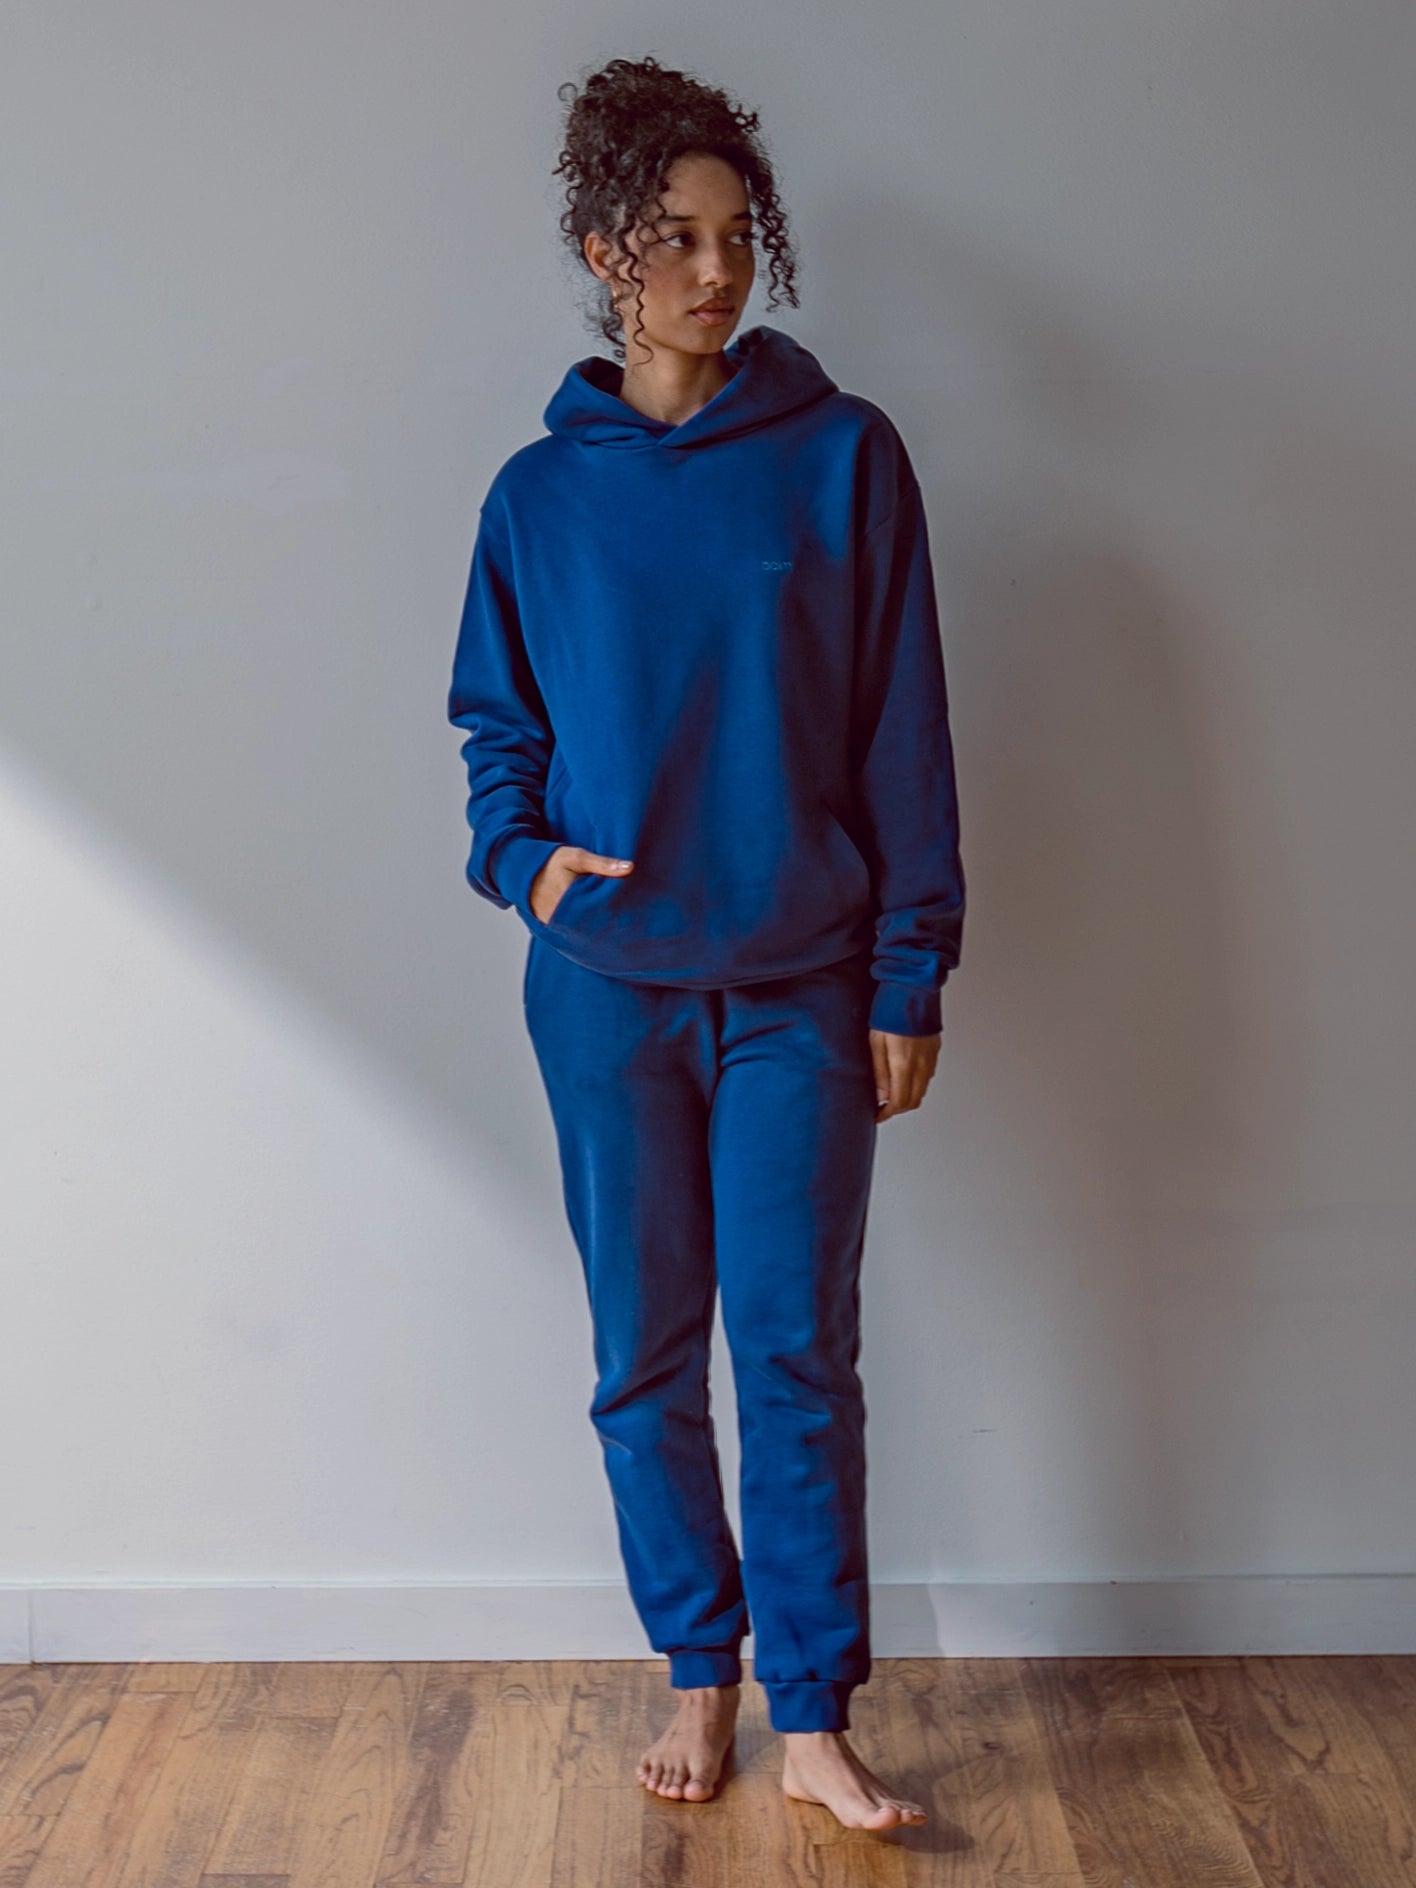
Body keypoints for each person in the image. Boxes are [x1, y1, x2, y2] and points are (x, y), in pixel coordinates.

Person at [447, 54, 964, 1833]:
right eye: (675, 238)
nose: (715, 271)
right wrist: (522, 865)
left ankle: (813, 1707)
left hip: (802, 983)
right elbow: (491, 731)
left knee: (797, 1349)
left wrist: (913, 964)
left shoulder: (841, 457)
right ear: (604, 250)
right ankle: (699, 1668)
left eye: (740, 236)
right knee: (644, 1356)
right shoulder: (538, 495)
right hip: (601, 990)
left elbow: (906, 725)